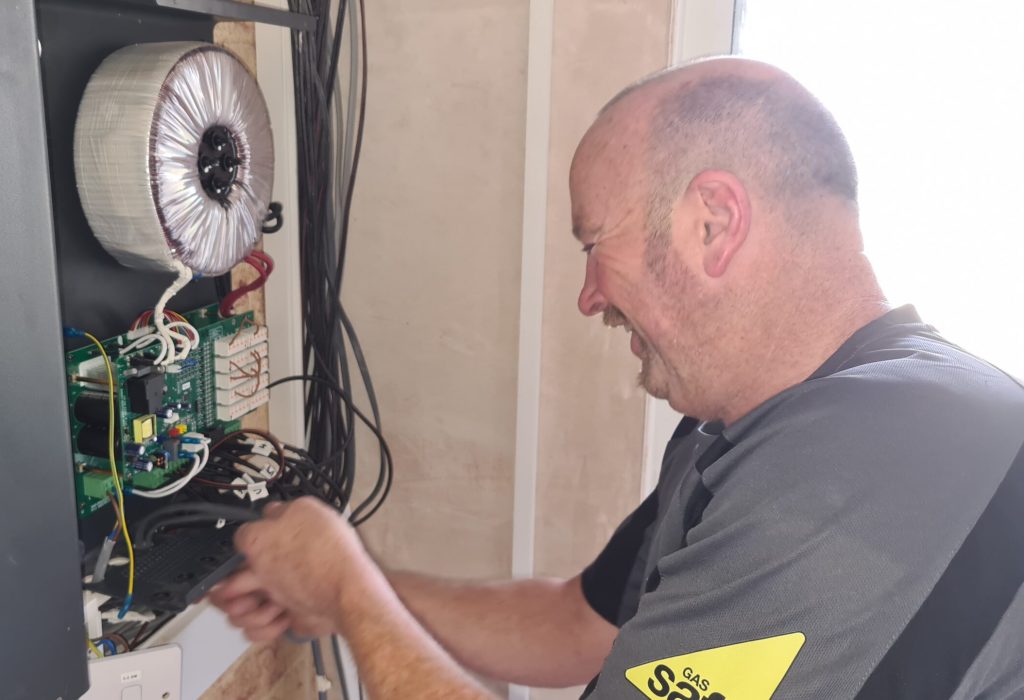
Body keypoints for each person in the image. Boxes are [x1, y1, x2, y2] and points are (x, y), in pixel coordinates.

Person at [209, 57, 1024, 699]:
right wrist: (352, 583)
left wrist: (352, 594)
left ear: (714, 222)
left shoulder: (878, 457)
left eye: (593, 243)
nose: (589, 296)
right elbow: (581, 624)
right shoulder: (753, 429)